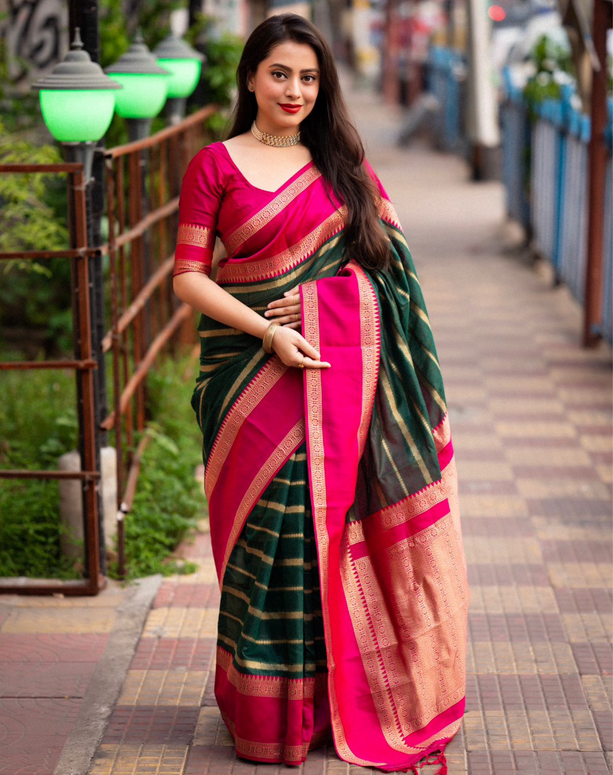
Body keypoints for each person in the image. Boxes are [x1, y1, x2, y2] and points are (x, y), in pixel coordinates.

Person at [172, 13, 470, 774]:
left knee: (319, 535)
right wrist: (269, 331)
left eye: (308, 77)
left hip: (334, 379)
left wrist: (319, 309)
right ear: (250, 79)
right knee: (260, 541)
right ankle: (268, 714)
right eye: (279, 74)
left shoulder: (342, 167)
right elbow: (188, 276)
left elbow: (391, 280)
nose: (294, 90)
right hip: (244, 382)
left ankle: (325, 706)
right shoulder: (215, 164)